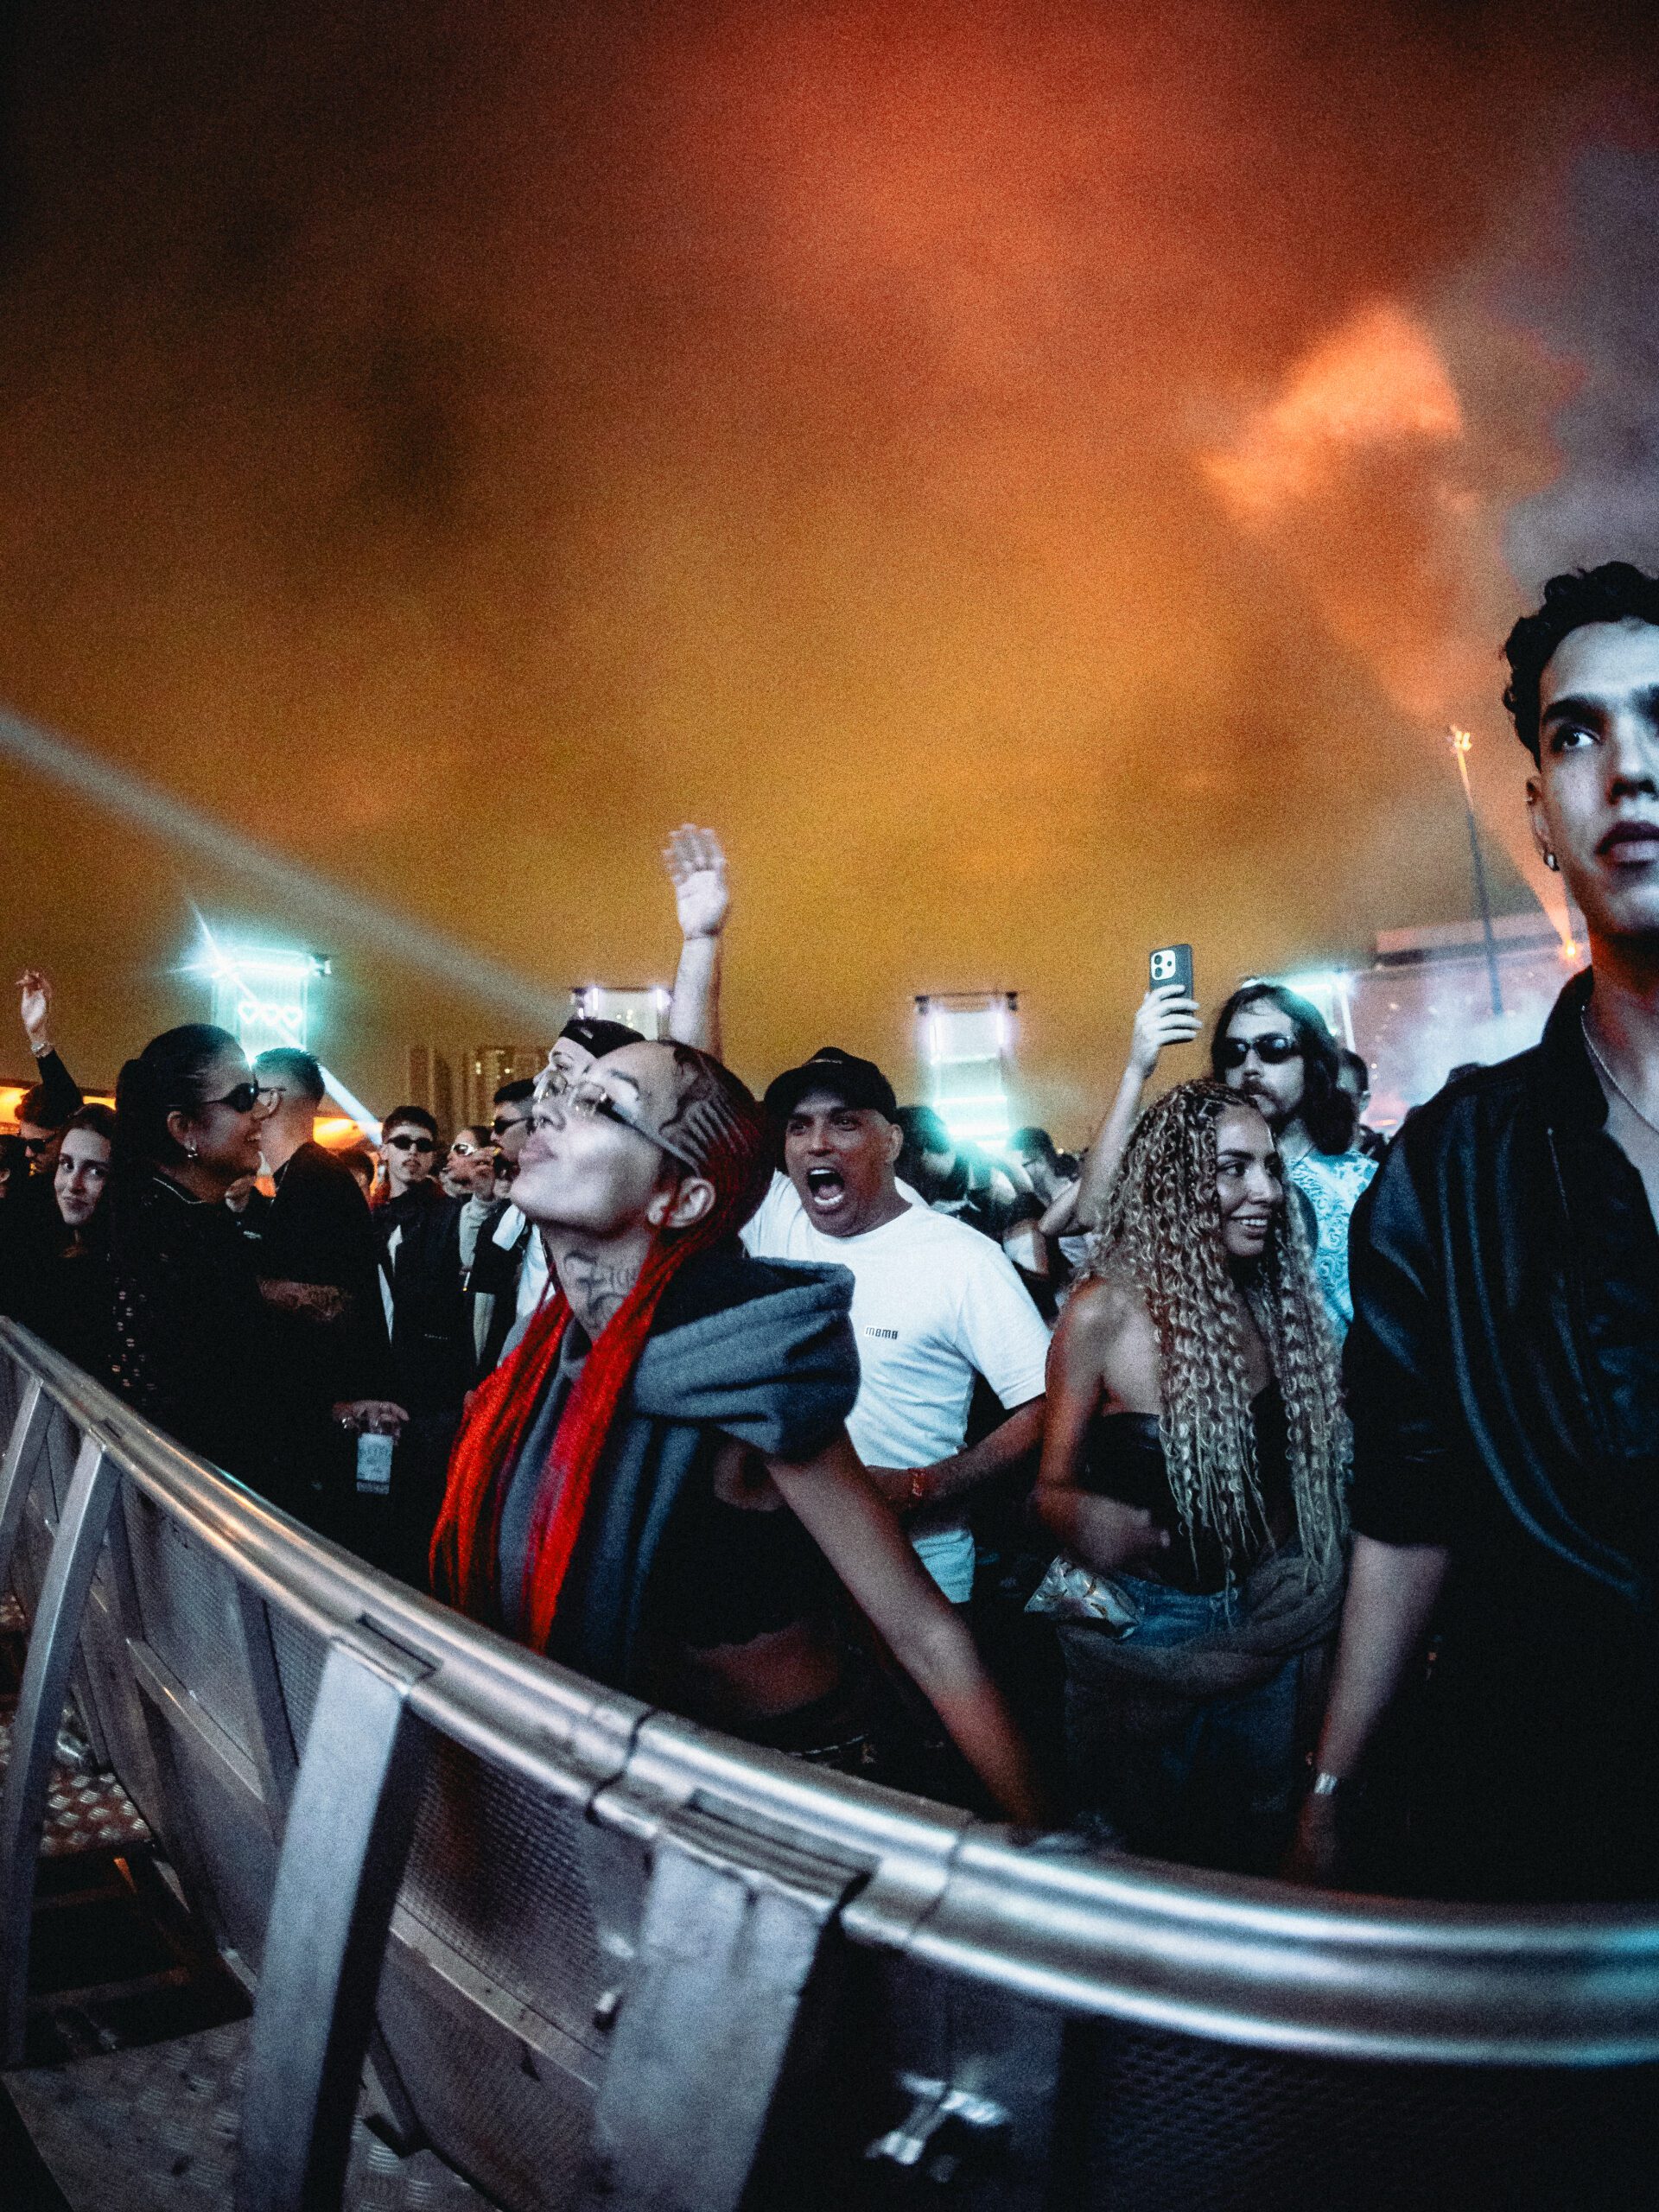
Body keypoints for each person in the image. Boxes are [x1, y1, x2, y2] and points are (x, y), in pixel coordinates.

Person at [1292, 562, 1659, 1904]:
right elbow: (1412, 1511)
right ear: (1542, 818)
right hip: (1557, 1824)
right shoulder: (1452, 1170)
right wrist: (1330, 1798)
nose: (1631, 769)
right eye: (1580, 733)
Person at [429, 1039, 1045, 1821]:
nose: (547, 1111)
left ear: (679, 1200)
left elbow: (923, 1630)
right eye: (564, 1093)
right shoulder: (540, 1354)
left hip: (794, 1785)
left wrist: (1038, 1848)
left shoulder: (744, 1362)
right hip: (634, 1777)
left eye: (599, 1105)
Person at [1035, 1079, 1349, 1872]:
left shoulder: (1275, 1299)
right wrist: (1083, 1516)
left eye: (1270, 1168)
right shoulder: (1103, 1312)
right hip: (1148, 1633)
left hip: (1271, 1622)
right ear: (1174, 1182)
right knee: (1146, 1854)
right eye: (1233, 1169)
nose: (1265, 1191)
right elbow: (1048, 1487)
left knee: (1259, 1841)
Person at [742, 1048, 1051, 1605]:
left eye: (844, 1122)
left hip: (919, 1571)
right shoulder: (776, 1216)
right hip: (789, 1568)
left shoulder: (962, 1260)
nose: (817, 1143)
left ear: (891, 1142)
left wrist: (924, 1485)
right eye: (799, 1126)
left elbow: (1042, 1404)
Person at [104, 1027, 284, 1489]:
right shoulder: (162, 1238)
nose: (261, 1112)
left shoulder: (188, 1218)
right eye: (243, 1098)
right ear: (183, 1129)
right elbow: (207, 1405)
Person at [250, 1047, 404, 1535]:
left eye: (247, 1092)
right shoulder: (307, 1177)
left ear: (270, 1100)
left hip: (336, 1422)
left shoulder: (314, 1182)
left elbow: (331, 1305)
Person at [1210, 983, 1373, 1336]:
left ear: (1313, 1064)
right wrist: (1137, 1069)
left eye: (1273, 1048)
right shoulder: (1200, 1177)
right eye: (1233, 1052)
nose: (1249, 1068)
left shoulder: (1365, 1185)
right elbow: (1094, 1214)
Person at [1, 1103, 117, 1375]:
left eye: (96, 1171)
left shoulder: (118, 1266)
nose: (73, 1184)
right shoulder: (33, 1241)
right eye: (67, 1165)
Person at [1337, 1048, 1388, 1161]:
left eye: (1340, 1096)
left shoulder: (1389, 1158)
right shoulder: (1304, 1162)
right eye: (1322, 1095)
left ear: (1363, 1101)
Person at [442, 1124, 497, 1201]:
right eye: (451, 1150)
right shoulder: (440, 1201)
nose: (449, 1157)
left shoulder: (507, 1201)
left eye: (461, 1149)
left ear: (485, 1157)